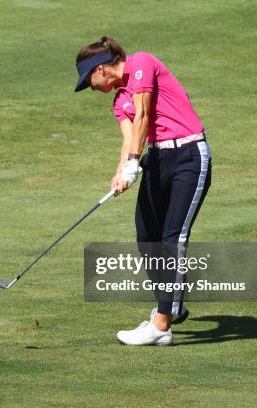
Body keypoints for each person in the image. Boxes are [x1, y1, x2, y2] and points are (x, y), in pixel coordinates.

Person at [75, 36, 212, 346]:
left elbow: (145, 115)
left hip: (188, 157)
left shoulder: (142, 64)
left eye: (88, 80)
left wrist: (134, 162)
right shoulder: (118, 101)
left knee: (172, 238)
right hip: (158, 160)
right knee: (146, 236)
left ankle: (162, 323)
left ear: (100, 70)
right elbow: (128, 139)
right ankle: (172, 305)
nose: (91, 87)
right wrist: (120, 172)